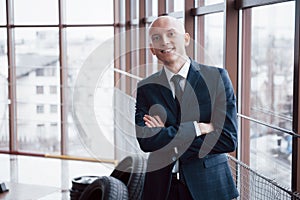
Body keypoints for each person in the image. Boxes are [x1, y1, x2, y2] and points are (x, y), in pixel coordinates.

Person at [135, 16, 239, 200]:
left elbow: (227, 138)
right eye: (157, 37)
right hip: (160, 188)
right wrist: (197, 128)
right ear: (152, 49)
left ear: (186, 38)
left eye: (171, 34)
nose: (165, 41)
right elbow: (146, 142)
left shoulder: (216, 79)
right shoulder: (146, 88)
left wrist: (165, 137)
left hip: (209, 186)